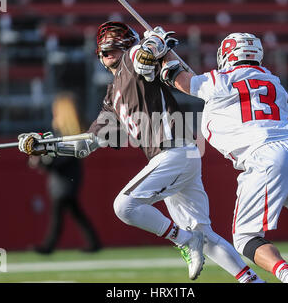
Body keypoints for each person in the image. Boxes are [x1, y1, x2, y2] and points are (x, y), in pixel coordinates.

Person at [17, 22, 264, 283]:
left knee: (125, 206)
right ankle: (252, 280)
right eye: (104, 47)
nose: (107, 49)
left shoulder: (132, 58)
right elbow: (86, 145)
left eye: (113, 41)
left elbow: (154, 42)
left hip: (173, 151)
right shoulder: (112, 96)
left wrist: (153, 43)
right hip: (178, 157)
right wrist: (45, 145)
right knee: (203, 233)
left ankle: (183, 240)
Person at [159, 32, 288, 282]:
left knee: (245, 238)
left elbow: (177, 79)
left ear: (226, 54)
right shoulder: (273, 81)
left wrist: (163, 53)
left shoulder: (219, 78)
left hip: (265, 153)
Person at [29, 92, 102, 254]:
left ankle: (49, 246)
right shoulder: (63, 133)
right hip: (63, 180)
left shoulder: (69, 135)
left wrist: (43, 161)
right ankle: (94, 242)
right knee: (75, 213)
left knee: (59, 214)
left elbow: (63, 159)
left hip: (66, 180)